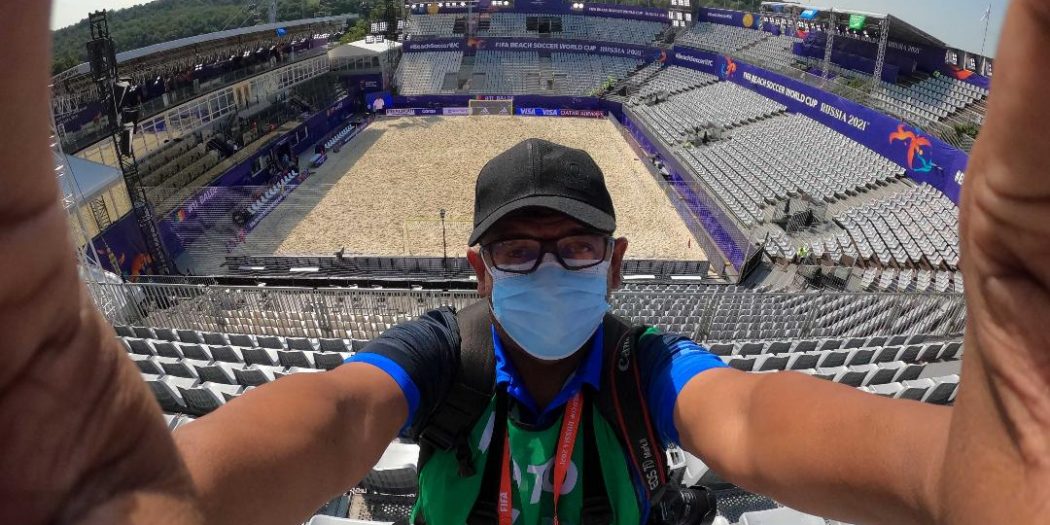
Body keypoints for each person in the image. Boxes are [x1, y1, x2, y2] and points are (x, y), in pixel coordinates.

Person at [4, 2, 1050, 525]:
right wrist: (173, 497)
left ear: (617, 261)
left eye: (575, 246)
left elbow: (753, 415)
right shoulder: (440, 358)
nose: (550, 267)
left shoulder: (647, 368)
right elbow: (336, 412)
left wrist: (949, 475)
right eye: (520, 248)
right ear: (479, 270)